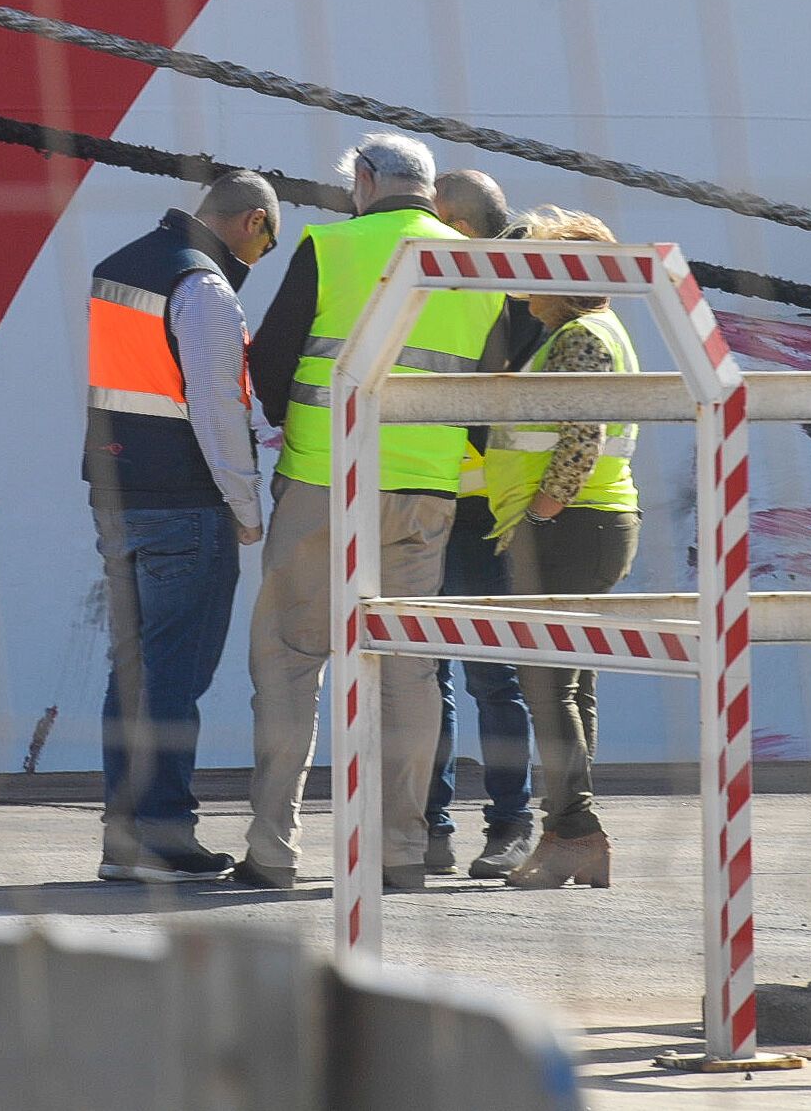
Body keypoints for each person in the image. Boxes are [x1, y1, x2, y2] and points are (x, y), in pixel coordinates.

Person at [237, 133, 502, 891]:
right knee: (410, 669)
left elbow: (273, 357)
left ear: (363, 180)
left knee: (290, 659)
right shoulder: (475, 262)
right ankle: (402, 850)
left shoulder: (331, 244)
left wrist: (287, 421)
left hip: (324, 480)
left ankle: (273, 849)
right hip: (425, 490)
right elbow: (490, 383)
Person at [85, 170, 280, 883]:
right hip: (186, 503)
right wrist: (246, 506)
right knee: (173, 674)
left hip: (118, 494)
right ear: (253, 223)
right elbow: (217, 406)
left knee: (132, 668)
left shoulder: (118, 268)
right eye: (267, 244)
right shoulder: (203, 287)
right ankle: (163, 836)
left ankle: (124, 834)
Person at [486, 207, 643, 890]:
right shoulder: (585, 330)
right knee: (568, 683)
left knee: (548, 686)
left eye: (536, 267)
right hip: (591, 523)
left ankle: (576, 830)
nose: (526, 281)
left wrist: (542, 513)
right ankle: (566, 830)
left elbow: (582, 432)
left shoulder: (579, 335)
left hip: (569, 524)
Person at [422, 170, 541, 879]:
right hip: (438, 499)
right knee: (429, 674)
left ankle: (509, 825)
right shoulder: (485, 283)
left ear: (456, 221)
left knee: (490, 678)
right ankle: (433, 828)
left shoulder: (519, 289)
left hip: (482, 512)